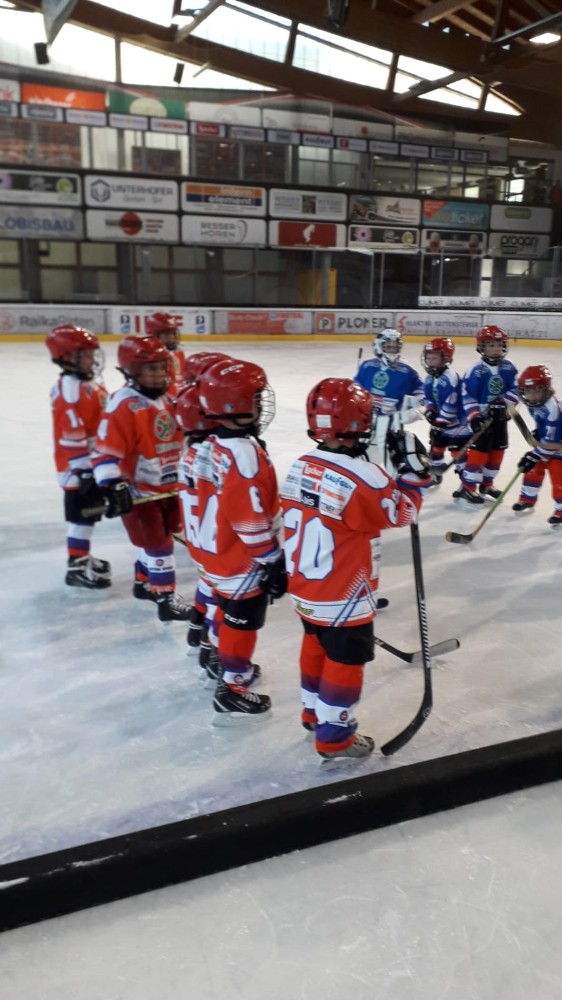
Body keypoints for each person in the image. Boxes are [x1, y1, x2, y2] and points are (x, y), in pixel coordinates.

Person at [280, 377, 430, 761]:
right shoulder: (366, 477)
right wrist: (415, 476)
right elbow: (402, 512)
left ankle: (312, 713)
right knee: (346, 660)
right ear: (359, 422)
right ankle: (334, 737)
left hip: (304, 587)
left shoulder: (300, 465)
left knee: (316, 644)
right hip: (343, 596)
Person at [196, 358, 287, 725]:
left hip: (215, 553)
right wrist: (271, 560)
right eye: (256, 397)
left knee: (223, 609)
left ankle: (220, 660)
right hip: (240, 559)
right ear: (236, 404)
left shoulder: (212, 443)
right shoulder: (243, 454)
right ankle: (233, 688)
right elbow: (248, 518)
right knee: (242, 621)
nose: (262, 403)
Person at [92, 335, 191, 622]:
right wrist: (111, 484)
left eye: (161, 367)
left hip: (169, 488)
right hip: (140, 493)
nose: (158, 374)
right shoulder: (123, 404)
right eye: (150, 369)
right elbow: (105, 452)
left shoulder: (169, 398)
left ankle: (143, 582)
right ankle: (165, 598)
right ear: (131, 372)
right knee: (159, 545)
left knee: (158, 540)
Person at [45, 324, 110, 590]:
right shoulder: (70, 391)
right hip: (78, 468)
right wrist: (84, 469)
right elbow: (71, 437)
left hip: (92, 462)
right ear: (68, 357)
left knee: (89, 515)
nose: (92, 359)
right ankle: (76, 564)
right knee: (81, 517)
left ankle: (82, 556)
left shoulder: (85, 384)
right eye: (86, 354)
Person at [457, 325, 519, 506]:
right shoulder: (475, 370)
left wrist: (504, 403)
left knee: (498, 451)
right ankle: (468, 487)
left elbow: (517, 390)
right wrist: (475, 416)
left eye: (499, 345)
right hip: (482, 421)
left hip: (500, 419)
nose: (496, 349)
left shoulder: (509, 367)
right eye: (491, 345)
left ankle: (487, 484)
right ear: (481, 347)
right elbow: (467, 396)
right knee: (480, 453)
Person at [354, 328, 424, 473]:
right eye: (388, 346)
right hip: (366, 422)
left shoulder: (407, 370)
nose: (392, 350)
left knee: (390, 459)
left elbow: (422, 392)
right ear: (379, 346)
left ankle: (393, 479)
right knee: (362, 458)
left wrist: (415, 410)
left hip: (391, 424)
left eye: (395, 346)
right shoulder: (367, 366)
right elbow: (355, 391)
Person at [513, 365, 562, 526]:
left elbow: (554, 444)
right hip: (549, 444)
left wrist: (534, 455)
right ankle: (527, 499)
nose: (531, 395)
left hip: (558, 448)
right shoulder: (534, 404)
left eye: (536, 390)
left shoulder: (553, 410)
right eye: (528, 391)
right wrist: (538, 433)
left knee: (558, 475)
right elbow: (545, 428)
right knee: (532, 470)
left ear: (546, 389)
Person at [421, 337, 472, 486]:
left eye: (434, 358)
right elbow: (428, 398)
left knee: (458, 453)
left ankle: (467, 485)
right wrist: (430, 410)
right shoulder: (430, 379)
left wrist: (440, 422)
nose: (430, 361)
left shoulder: (451, 378)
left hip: (458, 425)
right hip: (441, 423)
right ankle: (435, 475)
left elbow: (451, 404)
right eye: (428, 358)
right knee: (435, 449)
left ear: (446, 358)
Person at [145, 312, 185, 396]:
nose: (171, 337)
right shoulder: (148, 358)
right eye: (166, 334)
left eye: (173, 333)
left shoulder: (179, 353)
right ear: (154, 335)